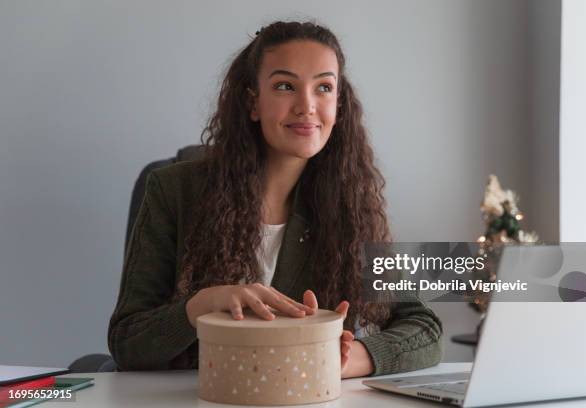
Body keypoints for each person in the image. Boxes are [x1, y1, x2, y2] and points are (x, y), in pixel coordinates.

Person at [108, 21, 442, 378]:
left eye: (324, 88)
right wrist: (201, 305)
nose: (307, 106)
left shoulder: (350, 204)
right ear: (253, 101)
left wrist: (349, 358)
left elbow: (425, 327)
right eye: (285, 86)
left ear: (339, 105)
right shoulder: (173, 189)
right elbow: (128, 342)